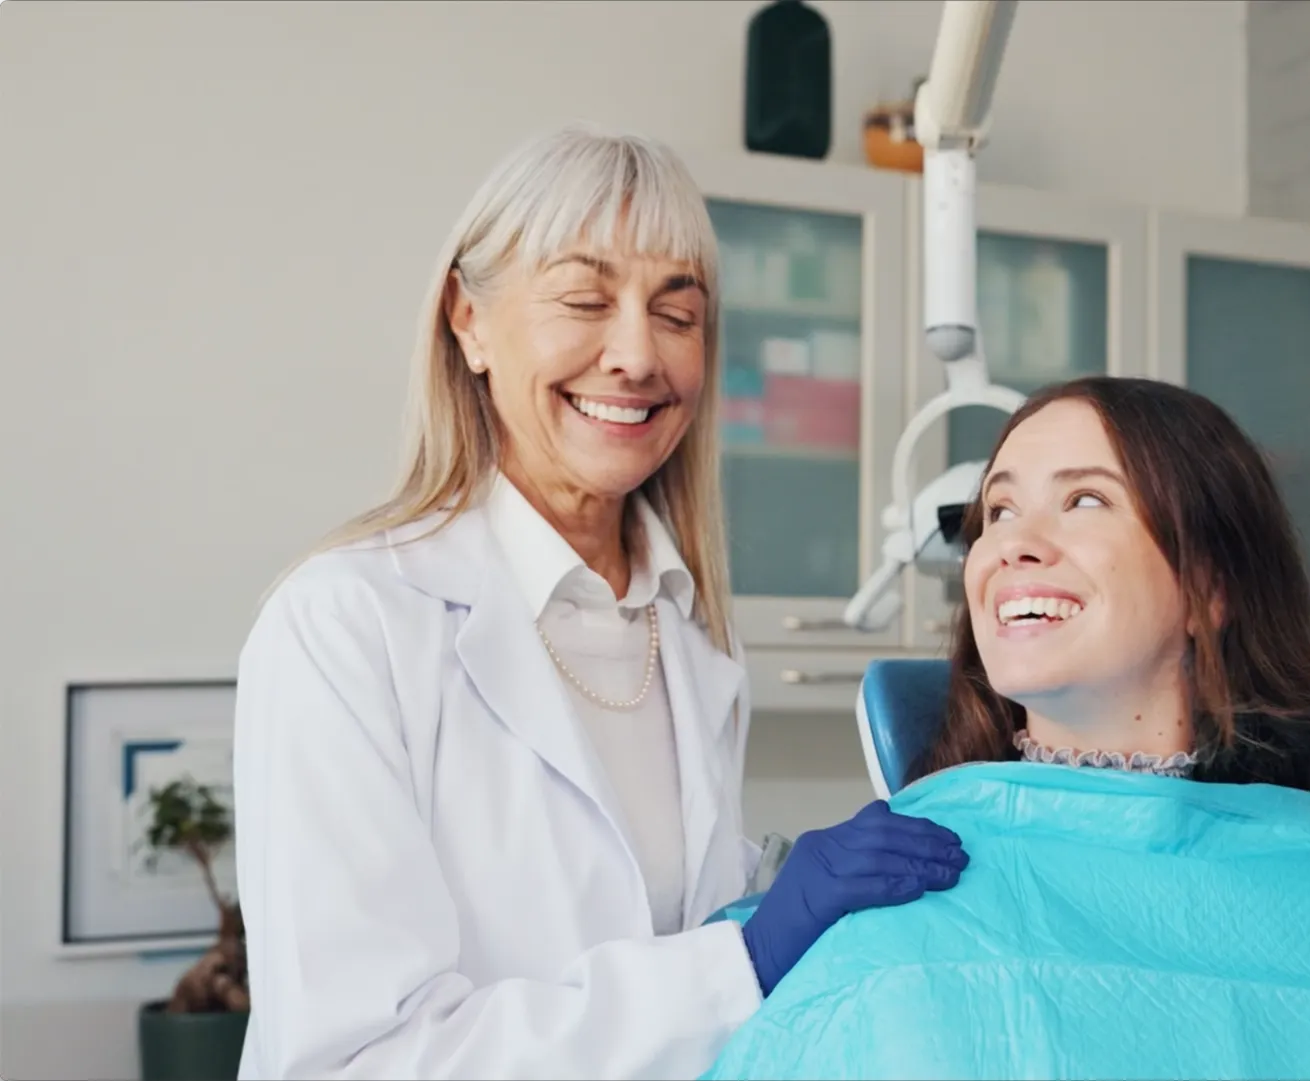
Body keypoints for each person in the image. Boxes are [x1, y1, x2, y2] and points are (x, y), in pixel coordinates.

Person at [228, 125, 968, 1081]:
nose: (636, 356)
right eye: (584, 299)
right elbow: (353, 1061)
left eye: (678, 312)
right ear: (469, 320)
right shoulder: (349, 623)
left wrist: (778, 900)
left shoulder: (685, 625)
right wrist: (739, 960)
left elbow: (650, 922)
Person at [702, 376, 1310, 1081]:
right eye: (999, 509)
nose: (1012, 544)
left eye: (1085, 498)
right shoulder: (901, 878)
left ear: (1208, 586)